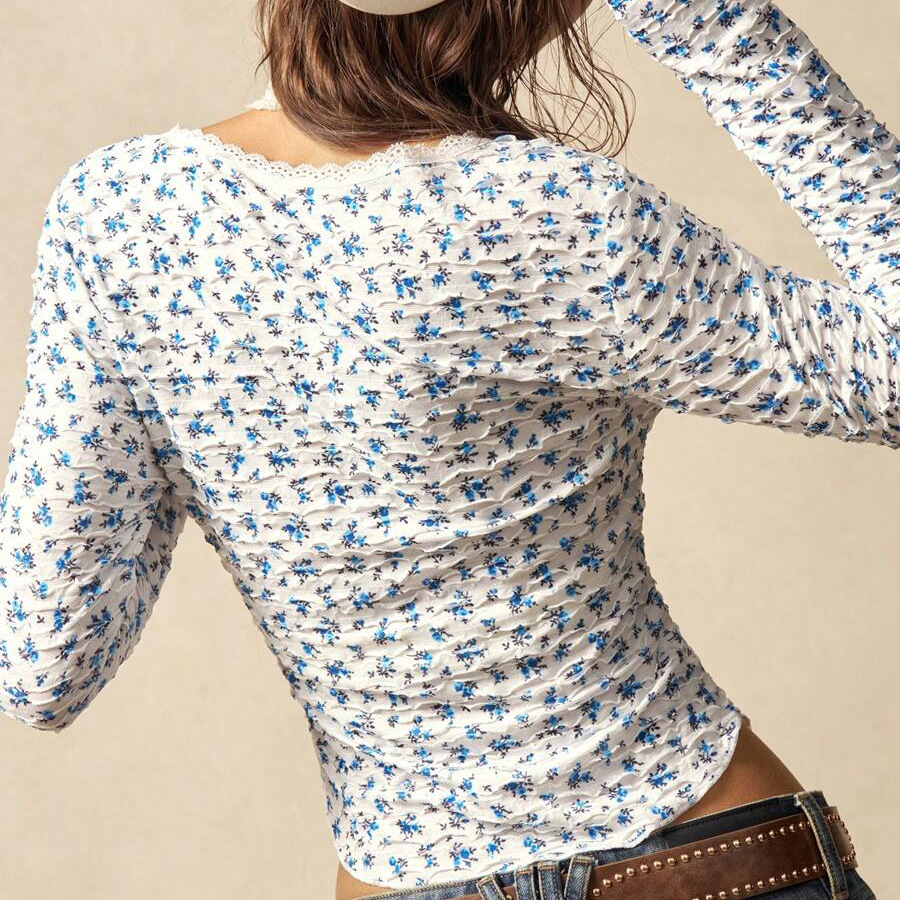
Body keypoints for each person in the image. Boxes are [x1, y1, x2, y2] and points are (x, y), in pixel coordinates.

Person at [1, 0, 894, 899]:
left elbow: (43, 669)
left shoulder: (122, 223)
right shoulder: (558, 215)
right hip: (706, 858)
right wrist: (717, 26)